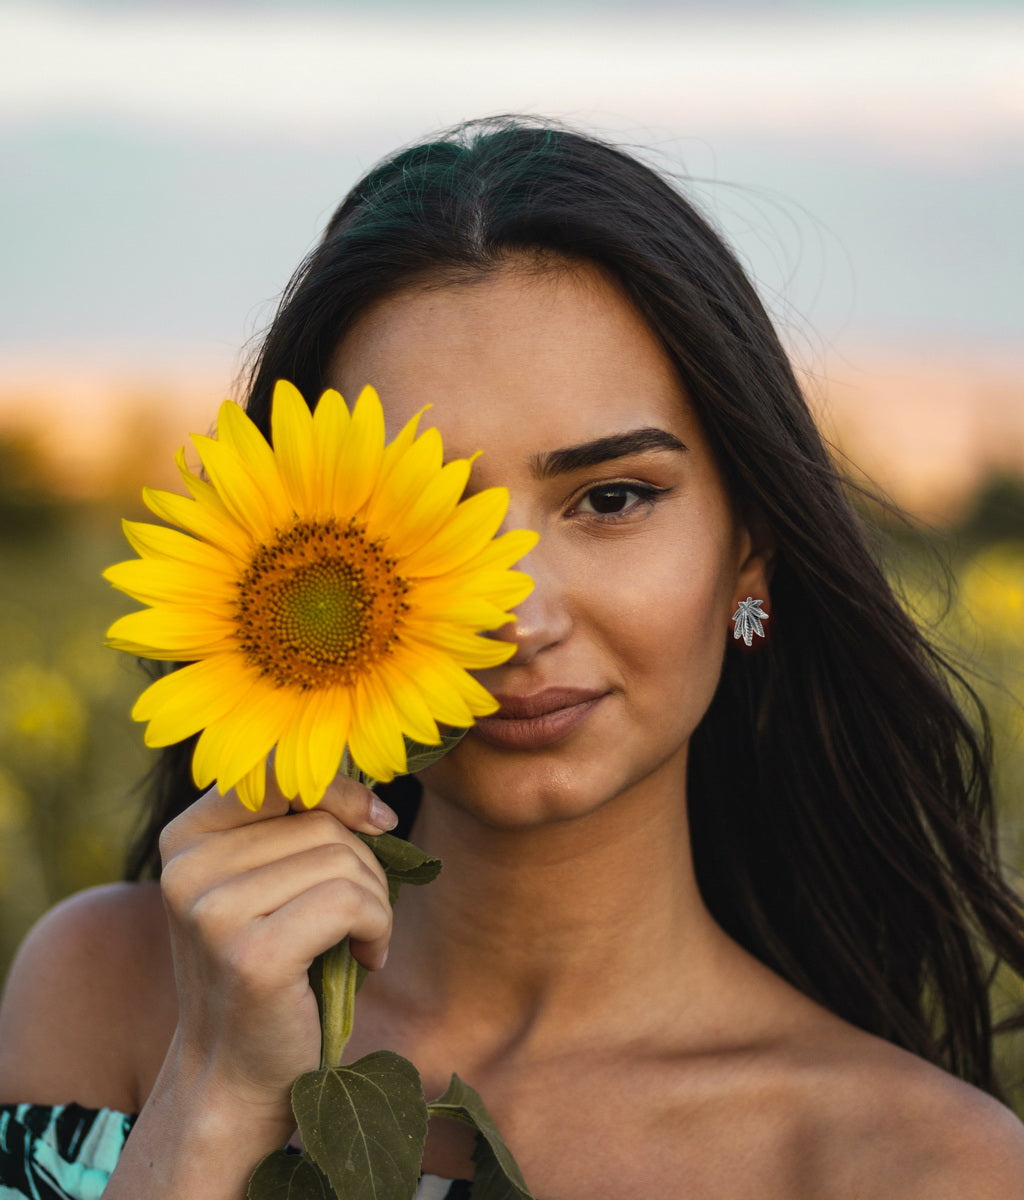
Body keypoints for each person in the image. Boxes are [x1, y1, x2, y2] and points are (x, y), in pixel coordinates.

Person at [1, 116, 1024, 1200]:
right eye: (432, 519)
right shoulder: (110, 992)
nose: (516, 617)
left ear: (749, 550)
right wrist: (210, 1100)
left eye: (612, 498)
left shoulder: (919, 1166)